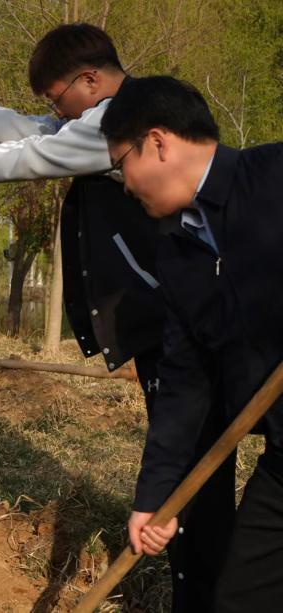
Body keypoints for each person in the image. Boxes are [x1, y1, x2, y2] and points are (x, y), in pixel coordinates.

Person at [0, 24, 228, 611]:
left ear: (89, 79)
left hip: (172, 313)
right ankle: (203, 577)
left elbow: (34, 154)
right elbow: (35, 131)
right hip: (166, 312)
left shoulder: (120, 121)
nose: (54, 111)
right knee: (193, 457)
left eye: (57, 97)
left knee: (192, 462)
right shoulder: (106, 118)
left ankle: (204, 587)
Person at [102, 75, 283, 611]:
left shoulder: (274, 176)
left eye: (121, 164)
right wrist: (154, 497)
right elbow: (185, 381)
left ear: (158, 142)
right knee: (240, 600)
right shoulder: (176, 252)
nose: (124, 184)